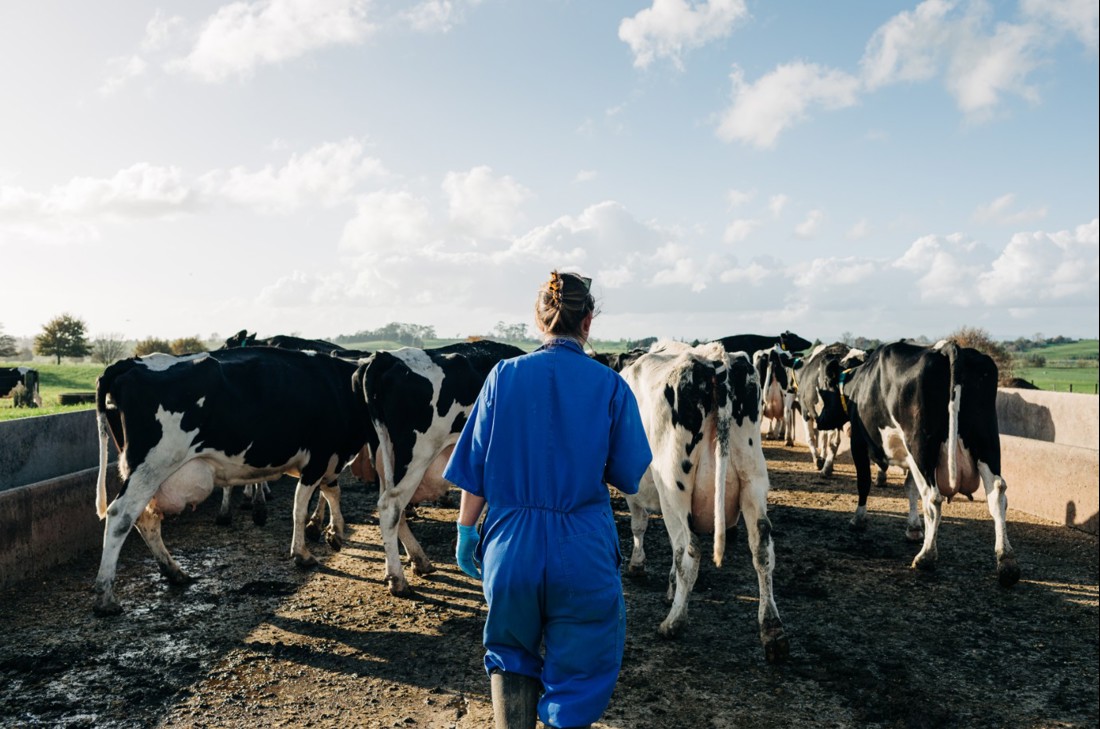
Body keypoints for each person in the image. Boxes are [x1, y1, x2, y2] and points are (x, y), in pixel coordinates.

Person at [443, 270, 653, 729]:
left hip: (509, 545)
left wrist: (465, 530)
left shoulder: (502, 376)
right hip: (582, 545)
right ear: (588, 322)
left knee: (510, 652)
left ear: (539, 321)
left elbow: (474, 470)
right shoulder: (611, 385)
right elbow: (629, 475)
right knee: (579, 671)